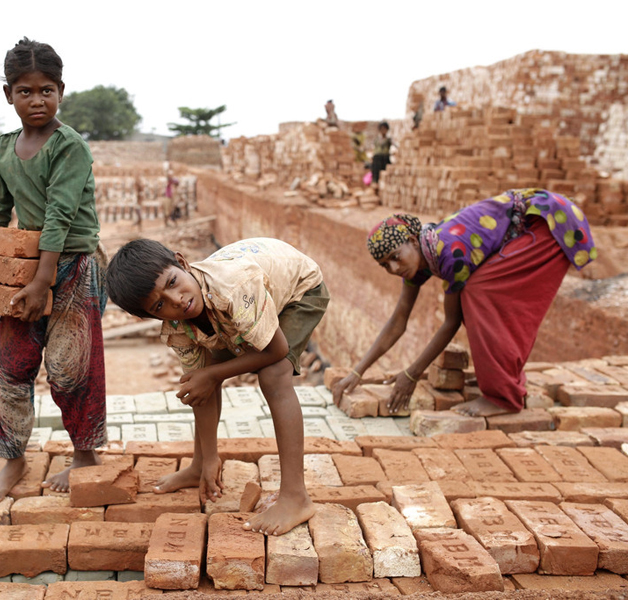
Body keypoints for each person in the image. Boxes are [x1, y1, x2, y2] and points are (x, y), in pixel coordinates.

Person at [106, 237, 330, 536]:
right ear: (149, 316)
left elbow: (275, 350)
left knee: (273, 374)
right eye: (160, 305)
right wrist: (210, 457)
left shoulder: (234, 288)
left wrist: (213, 375)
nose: (177, 300)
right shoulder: (177, 326)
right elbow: (200, 387)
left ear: (182, 262)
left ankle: (296, 497)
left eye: (173, 282)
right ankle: (199, 466)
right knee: (200, 378)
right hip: (247, 304)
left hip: (298, 289)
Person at [332, 188, 597, 417]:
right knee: (480, 298)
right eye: (384, 265)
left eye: (395, 257)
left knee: (480, 294)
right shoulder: (418, 260)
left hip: (549, 222)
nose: (392, 267)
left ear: (412, 242)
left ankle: (503, 397)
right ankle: (504, 378)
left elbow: (451, 322)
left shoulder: (448, 252)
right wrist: (357, 373)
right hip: (536, 221)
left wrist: (411, 374)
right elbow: (398, 321)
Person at [0, 38, 108, 501]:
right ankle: (13, 459)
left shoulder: (69, 146)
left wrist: (42, 279)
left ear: (61, 90)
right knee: (10, 367)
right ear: (9, 95)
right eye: (26, 91)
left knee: (71, 367)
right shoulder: (5, 147)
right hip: (25, 268)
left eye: (47, 90)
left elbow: (60, 213)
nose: (38, 100)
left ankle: (85, 456)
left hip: (71, 265)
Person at [370, 121, 392, 186]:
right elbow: (373, 148)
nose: (383, 131)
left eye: (385, 129)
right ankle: (375, 182)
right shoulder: (376, 139)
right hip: (377, 158)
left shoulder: (389, 139)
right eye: (382, 129)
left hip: (385, 158)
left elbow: (396, 146)